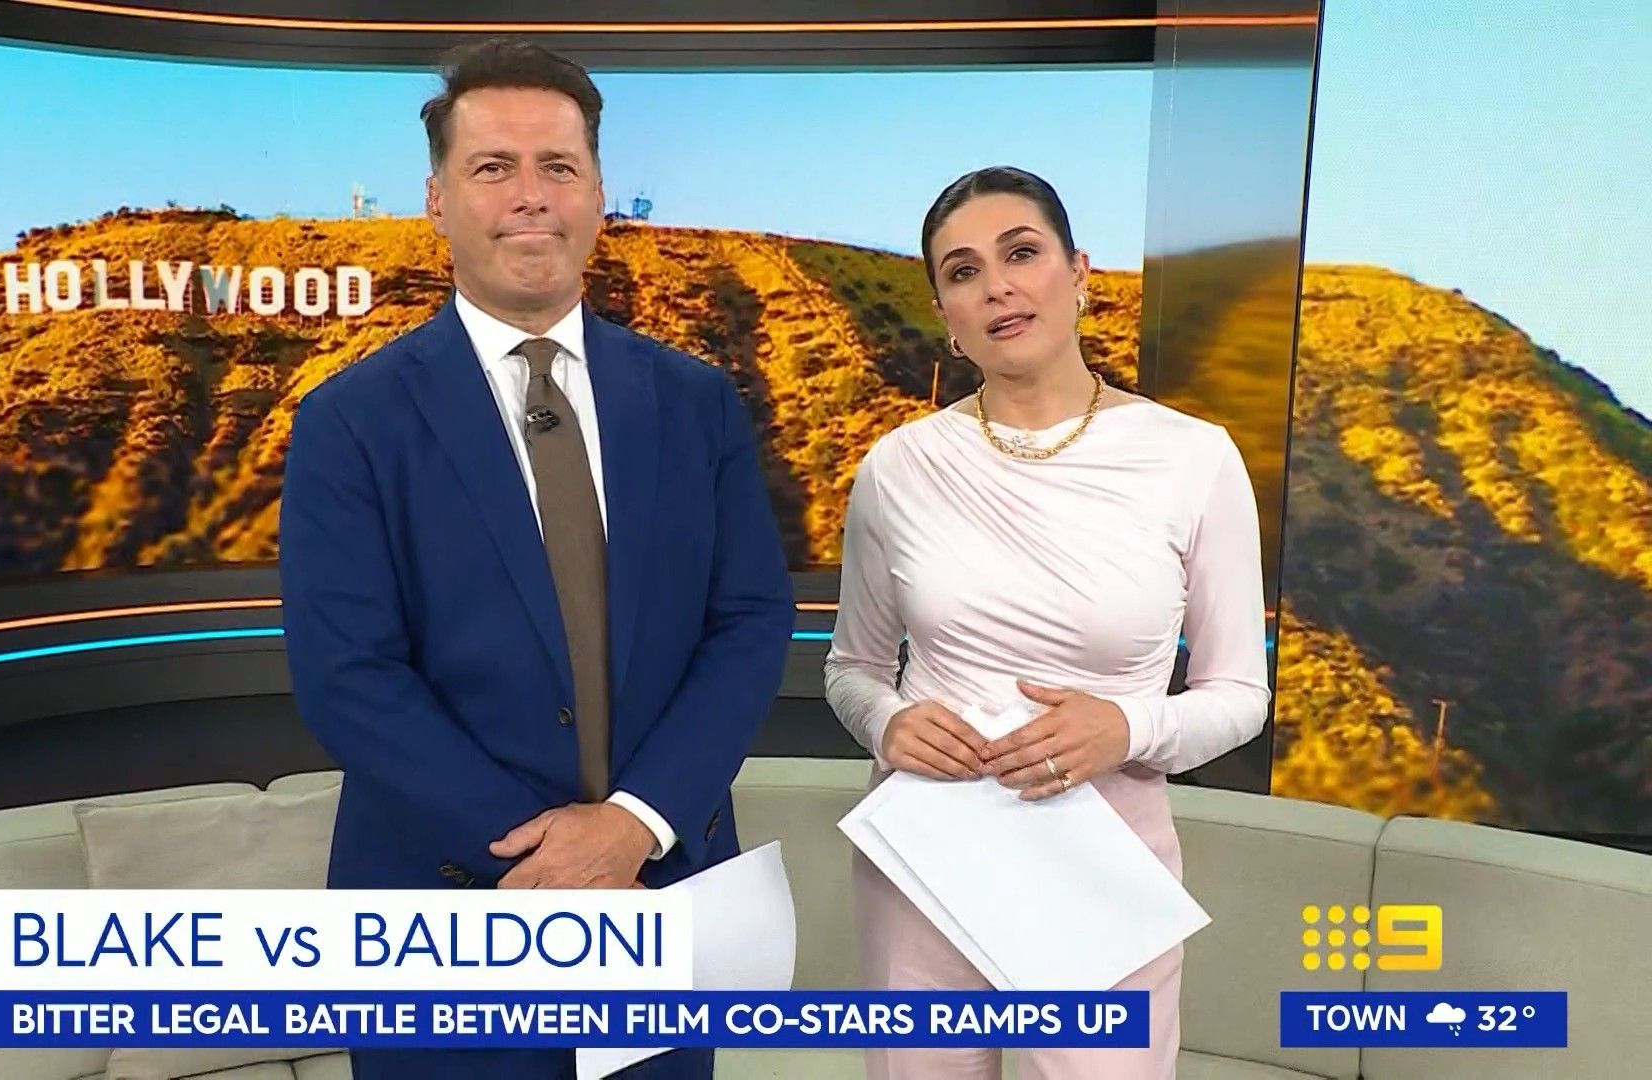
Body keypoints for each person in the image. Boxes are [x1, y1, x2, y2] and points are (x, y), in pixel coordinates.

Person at [278, 37, 794, 1080]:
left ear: (598, 194)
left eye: (558, 166)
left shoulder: (696, 403)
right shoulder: (351, 421)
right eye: (493, 167)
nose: (530, 196)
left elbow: (748, 622)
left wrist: (632, 828)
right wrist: (560, 856)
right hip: (447, 920)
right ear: (436, 200)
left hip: (659, 901)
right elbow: (350, 677)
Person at [823, 166, 1271, 1079]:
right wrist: (889, 723)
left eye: (1021, 253)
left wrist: (1126, 728)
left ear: (1079, 273)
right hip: (929, 854)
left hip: (1103, 865)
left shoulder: (1193, 458)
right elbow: (851, 668)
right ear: (946, 313)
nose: (997, 286)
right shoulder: (898, 467)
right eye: (963, 271)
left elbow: (1239, 693)